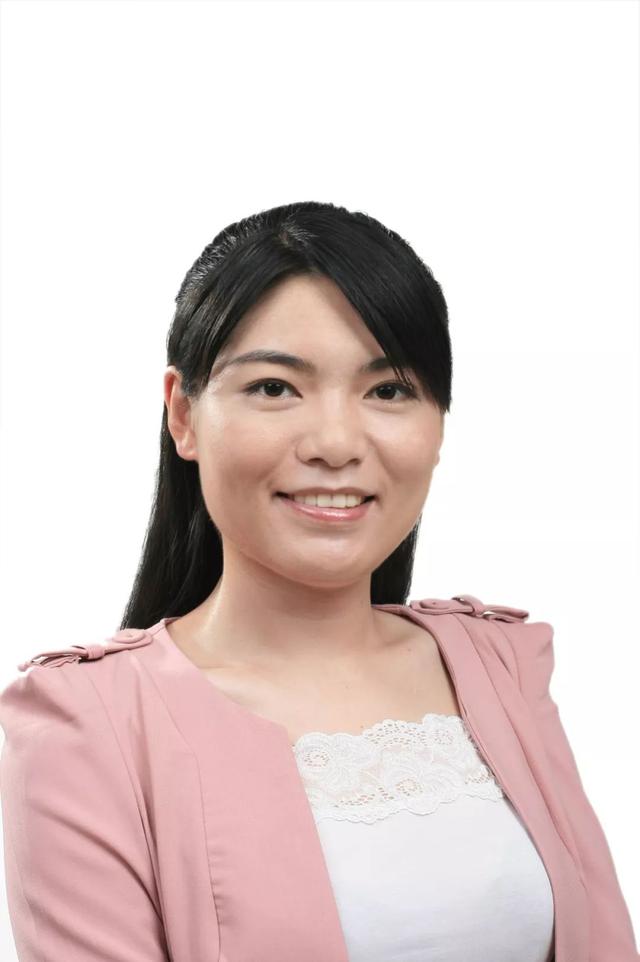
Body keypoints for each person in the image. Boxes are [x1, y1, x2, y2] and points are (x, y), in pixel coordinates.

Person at [0, 201, 637, 961]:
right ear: (184, 416)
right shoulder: (84, 728)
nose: (335, 443)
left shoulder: (503, 664)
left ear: (440, 422)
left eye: (388, 390)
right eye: (275, 387)